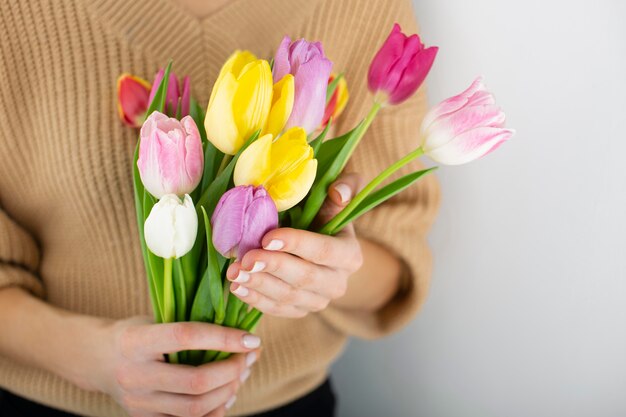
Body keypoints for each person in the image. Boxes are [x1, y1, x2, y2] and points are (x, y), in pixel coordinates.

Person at [0, 0, 440, 415]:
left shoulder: (359, 9)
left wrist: (323, 272)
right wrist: (84, 354)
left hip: (287, 405)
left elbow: (396, 256)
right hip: (53, 402)